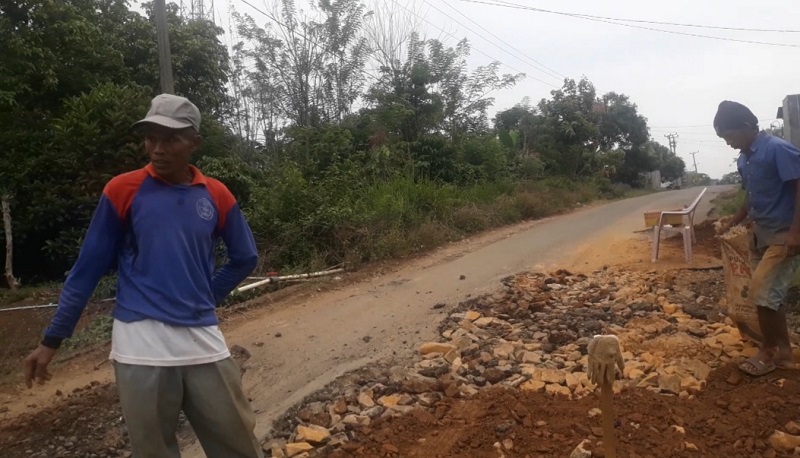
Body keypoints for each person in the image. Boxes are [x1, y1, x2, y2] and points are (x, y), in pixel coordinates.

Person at [23, 94, 264, 457]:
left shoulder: (215, 195)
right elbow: (86, 270)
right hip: (140, 345)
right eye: (151, 137)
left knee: (239, 445)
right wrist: (52, 339)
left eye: (171, 139)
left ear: (194, 143)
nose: (158, 149)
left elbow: (245, 257)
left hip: (202, 339)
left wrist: (207, 295)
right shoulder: (123, 190)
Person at [715, 100, 800, 377]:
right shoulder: (745, 158)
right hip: (760, 235)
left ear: (747, 127)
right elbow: (751, 196)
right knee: (767, 296)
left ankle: (769, 350)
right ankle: (784, 353)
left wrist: (796, 232)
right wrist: (734, 221)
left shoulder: (777, 149)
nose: (728, 142)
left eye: (729, 135)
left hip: (783, 235)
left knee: (762, 292)